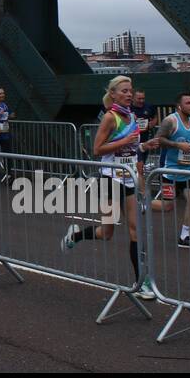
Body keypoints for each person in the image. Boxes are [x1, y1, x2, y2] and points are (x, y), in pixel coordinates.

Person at [61, 75, 155, 299]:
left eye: (130, 90)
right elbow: (97, 149)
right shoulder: (110, 118)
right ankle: (75, 236)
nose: (129, 94)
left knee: (135, 230)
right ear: (113, 94)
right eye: (124, 91)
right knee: (107, 232)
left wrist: (144, 144)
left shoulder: (131, 115)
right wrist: (126, 141)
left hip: (128, 178)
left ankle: (141, 280)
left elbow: (130, 147)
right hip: (109, 179)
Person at [153, 93, 190, 250]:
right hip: (171, 171)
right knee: (167, 206)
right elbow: (158, 139)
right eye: (188, 103)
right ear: (179, 106)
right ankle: (141, 204)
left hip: (188, 170)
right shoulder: (170, 121)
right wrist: (177, 145)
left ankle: (185, 237)